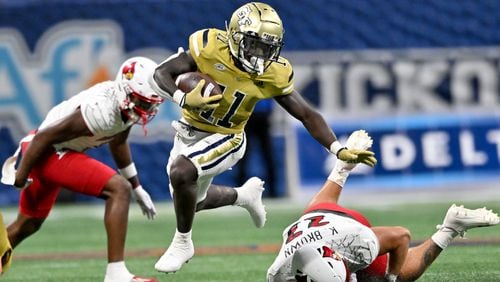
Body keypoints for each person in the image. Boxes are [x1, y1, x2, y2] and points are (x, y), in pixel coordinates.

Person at [147, 2, 377, 273]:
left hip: (228, 137)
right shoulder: (208, 46)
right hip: (189, 132)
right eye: (254, 45)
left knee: (182, 171)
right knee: (190, 199)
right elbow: (160, 74)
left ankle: (182, 242)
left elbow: (305, 113)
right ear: (234, 35)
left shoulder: (273, 73)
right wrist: (182, 97)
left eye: (268, 49)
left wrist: (337, 148)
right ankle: (243, 196)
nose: (260, 56)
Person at [0, 56, 163, 282]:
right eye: (143, 102)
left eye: (150, 103)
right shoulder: (100, 110)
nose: (147, 109)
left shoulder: (124, 105)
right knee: (118, 189)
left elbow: (118, 142)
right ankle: (116, 275)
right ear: (126, 92)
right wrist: (21, 175)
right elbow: (44, 137)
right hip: (45, 150)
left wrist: (137, 186)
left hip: (48, 149)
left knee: (27, 225)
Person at [267, 130, 500, 282]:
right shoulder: (278, 274)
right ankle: (341, 168)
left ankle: (449, 228)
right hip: (315, 215)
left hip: (340, 227)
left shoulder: (355, 242)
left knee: (381, 278)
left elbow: (401, 236)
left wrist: (392, 277)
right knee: (314, 209)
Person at [236, 99, 277, 197]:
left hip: (254, 113)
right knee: (246, 154)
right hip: (254, 114)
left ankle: (240, 188)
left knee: (246, 153)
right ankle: (272, 191)